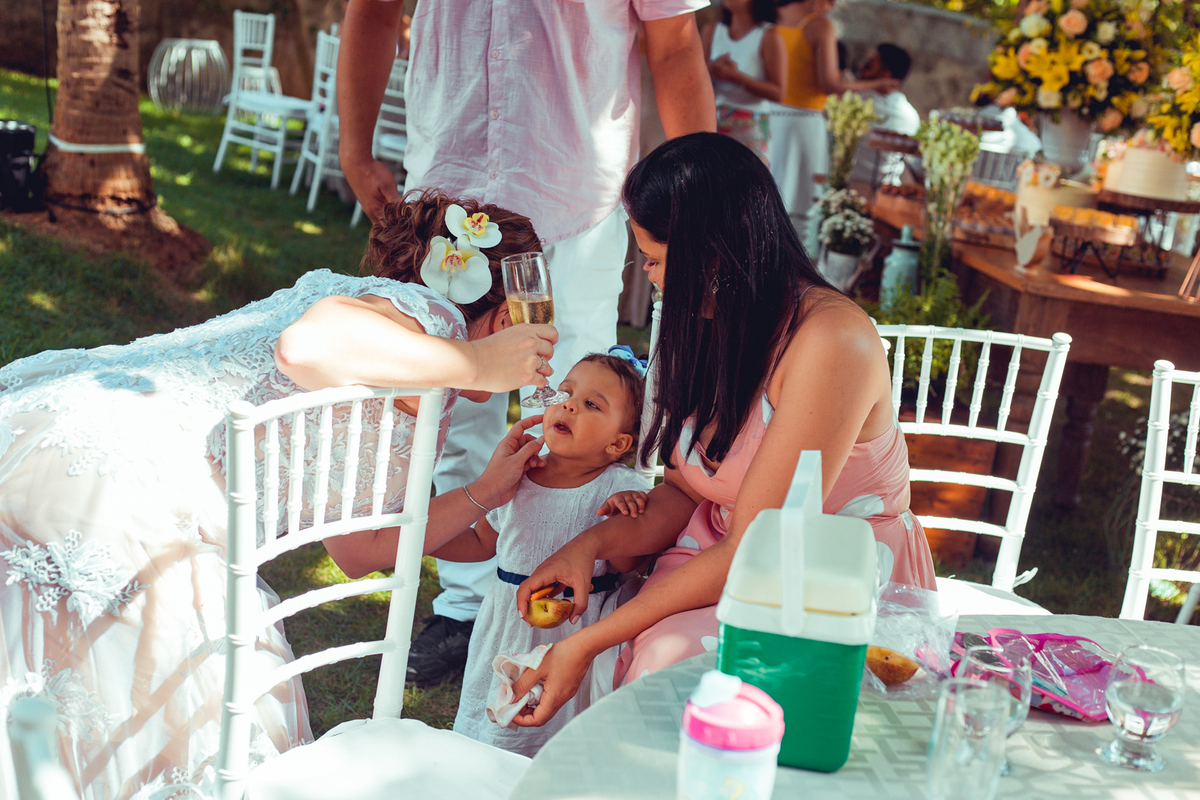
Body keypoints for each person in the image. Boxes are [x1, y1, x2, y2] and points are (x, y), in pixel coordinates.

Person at [0, 189, 555, 799]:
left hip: (61, 434)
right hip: (128, 493)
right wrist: (476, 364)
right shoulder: (436, 321)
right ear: (507, 317)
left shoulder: (387, 328)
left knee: (45, 678)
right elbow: (305, 348)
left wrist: (488, 499)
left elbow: (359, 548)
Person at [336, 0, 716, 688]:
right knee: (453, 410)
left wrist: (700, 201)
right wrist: (355, 152)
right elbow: (373, 10)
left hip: (575, 199)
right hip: (450, 198)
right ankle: (463, 607)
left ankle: (577, 591)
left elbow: (674, 42)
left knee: (585, 405)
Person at [506, 132, 937, 728]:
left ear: (711, 254)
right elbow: (684, 489)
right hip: (718, 554)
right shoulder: (707, 323)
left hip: (827, 579)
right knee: (618, 629)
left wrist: (587, 643)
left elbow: (758, 549)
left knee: (664, 663)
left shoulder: (832, 342)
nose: (649, 276)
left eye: (655, 259)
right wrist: (588, 547)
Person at [426, 351, 651, 756]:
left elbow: (628, 566)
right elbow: (480, 543)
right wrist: (417, 540)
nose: (568, 405)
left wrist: (624, 515)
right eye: (564, 393)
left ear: (617, 443)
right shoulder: (519, 473)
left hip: (575, 627)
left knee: (560, 725)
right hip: (507, 621)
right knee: (496, 720)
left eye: (591, 404)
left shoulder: (619, 487)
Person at [769, 0, 900, 233]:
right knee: (799, 206)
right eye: (830, 0)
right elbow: (830, 84)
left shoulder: (771, 14)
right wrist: (877, 84)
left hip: (769, 118)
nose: (831, 6)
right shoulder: (820, 26)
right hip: (805, 123)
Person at [701, 0, 786, 163]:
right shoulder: (711, 30)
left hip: (752, 126)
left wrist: (736, 77)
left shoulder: (769, 35)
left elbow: (778, 92)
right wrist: (711, 69)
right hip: (712, 121)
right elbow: (697, 79)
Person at [849, 43, 922, 187]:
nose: (862, 67)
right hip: (888, 188)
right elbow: (916, 166)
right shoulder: (911, 115)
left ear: (886, 75)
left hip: (848, 184)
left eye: (869, 65)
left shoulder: (854, 100)